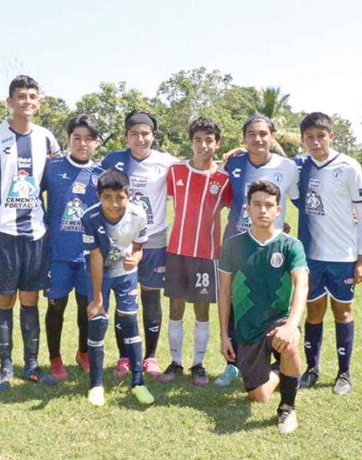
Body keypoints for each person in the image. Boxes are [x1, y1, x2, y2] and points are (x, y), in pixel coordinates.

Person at [0, 75, 59, 392]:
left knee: (30, 300)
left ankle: (31, 366)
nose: (27, 101)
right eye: (21, 96)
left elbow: (58, 182)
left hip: (36, 234)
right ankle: (5, 368)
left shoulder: (47, 139)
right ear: (9, 102)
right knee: (5, 299)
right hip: (2, 233)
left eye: (32, 96)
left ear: (39, 102)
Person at [214, 114, 300, 387]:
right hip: (238, 246)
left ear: (272, 136)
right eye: (251, 134)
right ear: (243, 138)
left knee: (268, 302)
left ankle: (279, 358)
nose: (257, 139)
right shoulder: (234, 163)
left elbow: (301, 200)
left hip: (272, 246)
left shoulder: (288, 167)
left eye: (263, 133)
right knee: (234, 300)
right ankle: (232, 365)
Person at [218, 180, 309, 434]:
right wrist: (224, 336)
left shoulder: (291, 245)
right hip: (248, 327)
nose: (262, 210)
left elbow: (301, 285)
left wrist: (291, 325)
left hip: (280, 319)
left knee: (289, 343)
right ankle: (283, 371)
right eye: (256, 204)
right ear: (247, 208)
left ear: (278, 210)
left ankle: (287, 408)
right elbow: (224, 292)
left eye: (269, 205)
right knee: (259, 396)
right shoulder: (233, 245)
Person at [295, 112, 362, 395]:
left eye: (321, 136)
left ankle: (344, 374)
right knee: (313, 312)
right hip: (311, 256)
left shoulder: (349, 167)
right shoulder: (300, 166)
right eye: (309, 137)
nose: (315, 142)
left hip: (343, 256)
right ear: (302, 139)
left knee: (343, 311)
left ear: (331, 136)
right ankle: (312, 369)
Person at [101, 110, 177, 378]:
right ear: (126, 136)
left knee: (151, 297)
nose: (140, 139)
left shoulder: (167, 162)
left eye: (145, 134)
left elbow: (198, 166)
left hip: (154, 239)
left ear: (153, 135)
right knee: (125, 298)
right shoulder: (113, 160)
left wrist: (235, 154)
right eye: (134, 134)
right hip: (121, 239)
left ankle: (151, 357)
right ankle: (124, 357)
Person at [159, 117, 232, 386]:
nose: (203, 145)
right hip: (177, 251)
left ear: (218, 143)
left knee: (202, 310)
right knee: (176, 307)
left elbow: (237, 210)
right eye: (198, 140)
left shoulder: (223, 179)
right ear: (190, 143)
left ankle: (198, 364)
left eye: (209, 140)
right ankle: (176, 361)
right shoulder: (175, 171)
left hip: (207, 255)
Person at [81, 168, 155, 406]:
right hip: (99, 275)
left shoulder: (139, 214)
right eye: (107, 198)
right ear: (98, 196)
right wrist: (97, 299)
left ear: (128, 195)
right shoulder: (89, 218)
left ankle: (138, 382)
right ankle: (96, 385)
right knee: (98, 323)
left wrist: (136, 258)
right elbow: (95, 257)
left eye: (119, 197)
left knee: (130, 323)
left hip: (126, 275)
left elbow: (139, 247)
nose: (114, 204)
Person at [43, 114, 104, 380]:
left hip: (88, 256)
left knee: (85, 308)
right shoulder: (52, 168)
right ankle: (55, 359)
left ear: (96, 142)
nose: (82, 144)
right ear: (68, 140)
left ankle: (83, 353)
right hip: (57, 254)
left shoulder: (100, 174)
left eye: (88, 139)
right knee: (56, 307)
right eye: (76, 138)